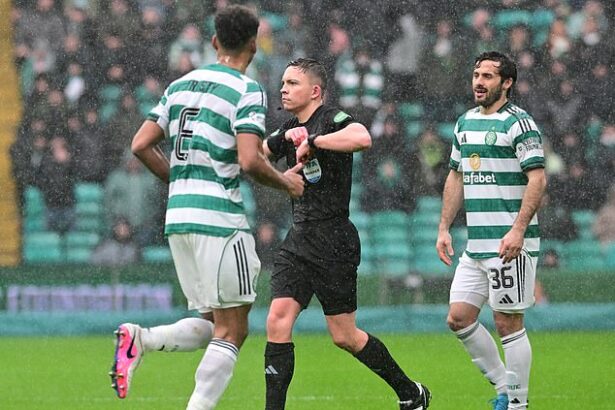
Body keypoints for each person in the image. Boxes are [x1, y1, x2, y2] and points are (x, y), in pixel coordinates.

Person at [108, 6, 305, 409]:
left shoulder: (180, 85)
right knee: (234, 329)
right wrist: (287, 182)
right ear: (253, 44)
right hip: (219, 218)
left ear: (214, 42)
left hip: (178, 218)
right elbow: (249, 160)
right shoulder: (246, 89)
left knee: (215, 321)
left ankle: (141, 339)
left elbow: (141, 144)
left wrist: (180, 181)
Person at [262, 58, 431, 410]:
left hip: (333, 240)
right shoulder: (288, 128)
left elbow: (362, 137)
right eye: (283, 83)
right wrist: (278, 156)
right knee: (277, 320)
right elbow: (255, 157)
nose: (283, 89)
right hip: (299, 239)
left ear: (315, 91)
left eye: (292, 83)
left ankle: (410, 392)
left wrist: (315, 141)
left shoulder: (332, 119)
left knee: (344, 336)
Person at [436, 51, 546, 410]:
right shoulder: (465, 122)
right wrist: (444, 227)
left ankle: (517, 404)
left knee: (507, 322)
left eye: (487, 76)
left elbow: (537, 178)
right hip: (477, 245)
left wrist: (518, 230)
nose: (479, 82)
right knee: (458, 318)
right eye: (476, 75)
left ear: (507, 83)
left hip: (509, 244)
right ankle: (503, 387)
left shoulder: (519, 123)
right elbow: (455, 176)